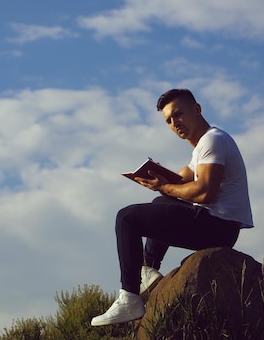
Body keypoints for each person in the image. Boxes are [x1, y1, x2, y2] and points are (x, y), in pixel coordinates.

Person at [91, 88, 253, 326]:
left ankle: (129, 298)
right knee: (161, 203)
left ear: (196, 110)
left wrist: (164, 187)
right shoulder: (202, 147)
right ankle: (149, 269)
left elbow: (204, 192)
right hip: (218, 226)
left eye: (178, 114)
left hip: (219, 226)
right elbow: (181, 180)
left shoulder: (213, 140)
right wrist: (159, 179)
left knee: (127, 218)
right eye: (168, 120)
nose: (174, 122)